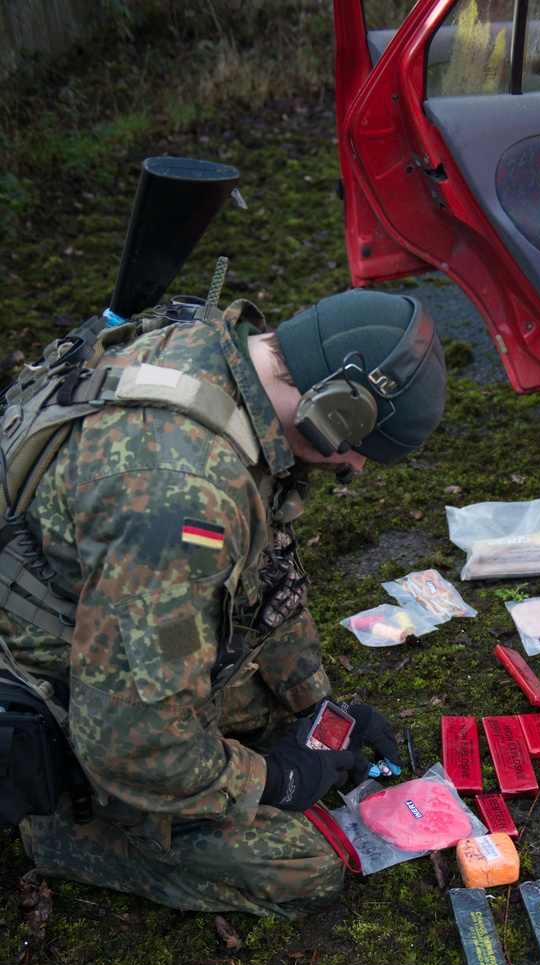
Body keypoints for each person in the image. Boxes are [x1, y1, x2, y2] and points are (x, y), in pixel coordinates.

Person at [0, 288, 447, 917]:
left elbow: (266, 579)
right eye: (359, 452)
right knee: (306, 864)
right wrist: (278, 778)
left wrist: (313, 707)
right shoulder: (184, 502)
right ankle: (68, 828)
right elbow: (133, 742)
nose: (356, 470)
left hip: (112, 618)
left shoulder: (222, 358)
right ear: (335, 413)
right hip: (61, 691)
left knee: (255, 718)